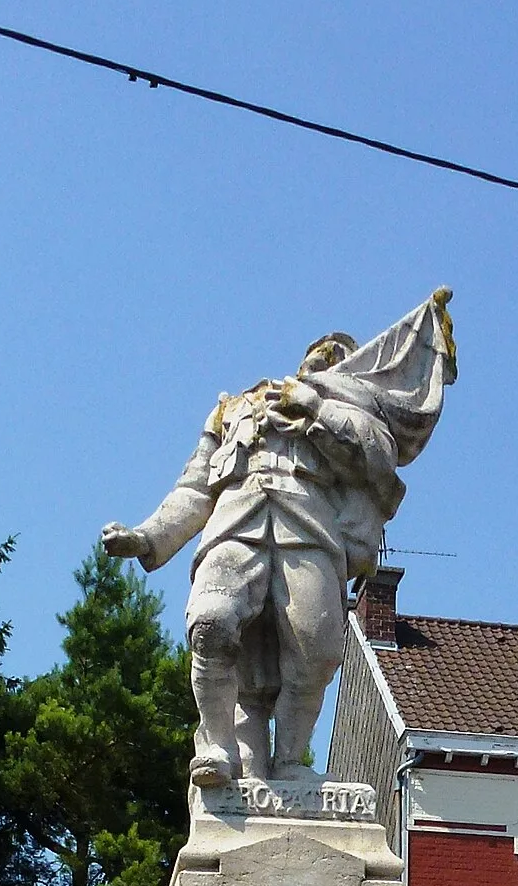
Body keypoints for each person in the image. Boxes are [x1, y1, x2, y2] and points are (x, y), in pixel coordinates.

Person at [103, 291, 455, 790]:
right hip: (233, 525)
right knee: (211, 623)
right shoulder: (235, 408)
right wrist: (146, 537)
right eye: (323, 351)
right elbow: (194, 486)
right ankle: (219, 747)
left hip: (309, 531)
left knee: (317, 652)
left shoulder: (349, 410)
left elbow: (377, 459)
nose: (329, 357)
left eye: (341, 354)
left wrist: (316, 408)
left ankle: (289, 763)